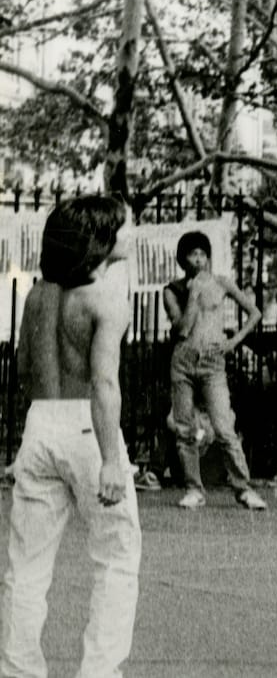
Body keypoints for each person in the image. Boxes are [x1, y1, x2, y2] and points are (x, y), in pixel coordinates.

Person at [0, 196, 139, 678]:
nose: (130, 233)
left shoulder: (38, 295)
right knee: (116, 558)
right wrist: (109, 460)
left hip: (41, 422)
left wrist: (27, 438)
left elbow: (21, 371)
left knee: (25, 567)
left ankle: (18, 672)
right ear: (101, 239)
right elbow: (104, 383)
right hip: (88, 427)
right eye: (123, 226)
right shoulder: (106, 299)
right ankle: (100, 673)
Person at [163, 230, 267, 511]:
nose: (197, 260)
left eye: (201, 254)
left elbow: (255, 312)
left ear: (208, 257)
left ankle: (243, 487)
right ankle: (193, 488)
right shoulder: (173, 290)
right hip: (183, 360)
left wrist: (233, 341)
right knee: (185, 428)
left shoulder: (222, 283)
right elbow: (182, 329)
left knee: (224, 426)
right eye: (191, 254)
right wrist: (193, 296)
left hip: (212, 362)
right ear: (182, 259)